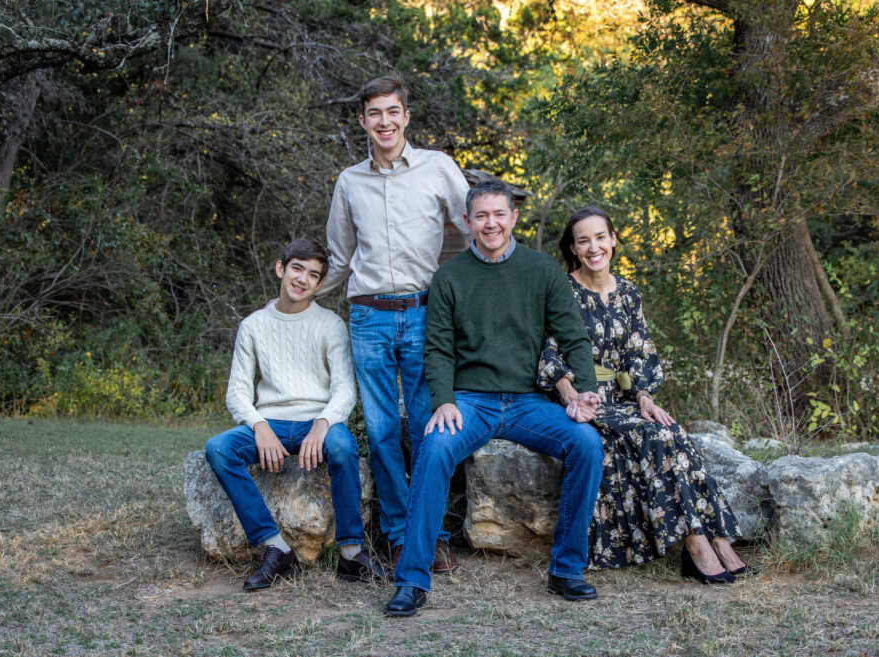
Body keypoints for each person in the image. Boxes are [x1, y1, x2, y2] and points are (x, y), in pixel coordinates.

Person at [383, 180, 606, 617]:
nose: (491, 223)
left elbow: (573, 336)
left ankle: (566, 570)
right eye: (481, 216)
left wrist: (585, 389)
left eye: (499, 214)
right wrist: (444, 401)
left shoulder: (541, 271)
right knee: (434, 447)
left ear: (514, 217)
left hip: (528, 402)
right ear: (468, 222)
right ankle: (411, 580)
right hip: (470, 401)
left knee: (587, 444)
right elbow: (438, 349)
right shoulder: (450, 277)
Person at [538, 206, 751, 584]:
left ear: (614, 239)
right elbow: (549, 352)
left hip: (623, 400)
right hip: (585, 399)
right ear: (572, 248)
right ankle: (697, 544)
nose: (593, 247)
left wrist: (646, 398)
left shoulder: (629, 293)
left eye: (600, 237)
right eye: (583, 240)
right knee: (650, 437)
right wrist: (571, 396)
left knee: (672, 430)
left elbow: (640, 352)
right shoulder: (562, 290)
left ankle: (717, 538)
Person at [316, 72, 471, 573]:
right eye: (374, 114)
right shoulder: (349, 181)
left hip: (427, 313)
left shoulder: (438, 168)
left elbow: (473, 232)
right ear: (363, 122)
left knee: (432, 427)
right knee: (382, 432)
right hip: (368, 316)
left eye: (392, 112)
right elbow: (339, 258)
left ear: (406, 116)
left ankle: (434, 533)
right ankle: (401, 535)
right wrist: (299, 299)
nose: (384, 122)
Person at [205, 239, 392, 591]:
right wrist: (259, 426)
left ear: (320, 284)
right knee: (219, 448)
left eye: (313, 274)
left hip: (317, 422)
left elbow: (344, 389)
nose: (303, 279)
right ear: (280, 268)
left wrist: (323, 423)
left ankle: (351, 553)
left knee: (341, 446)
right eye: (297, 268)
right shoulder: (254, 325)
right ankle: (276, 548)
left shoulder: (330, 324)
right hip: (270, 422)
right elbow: (238, 392)